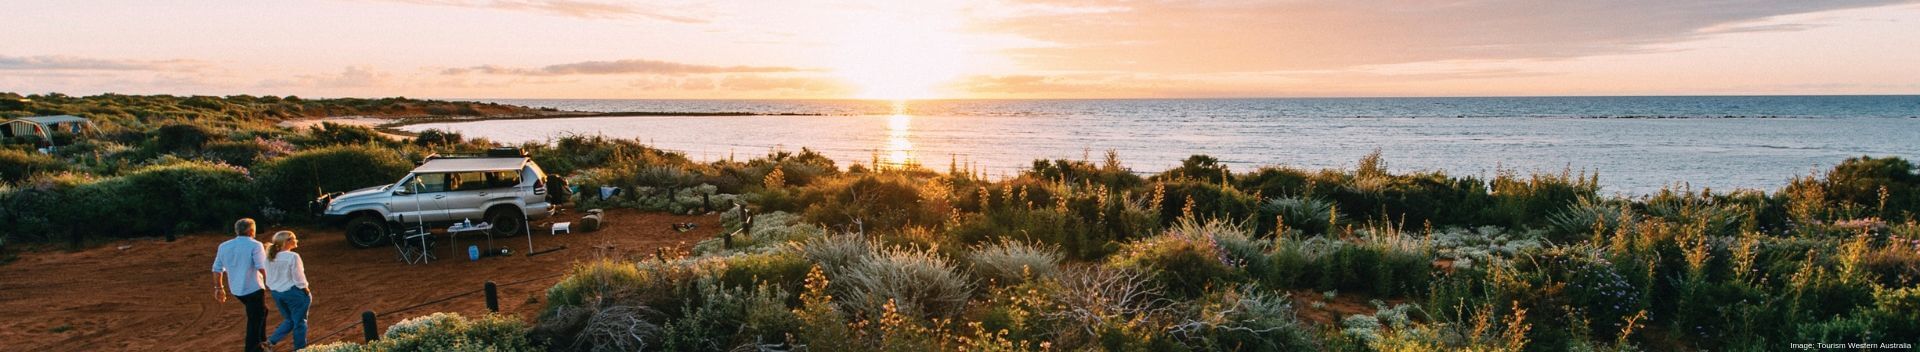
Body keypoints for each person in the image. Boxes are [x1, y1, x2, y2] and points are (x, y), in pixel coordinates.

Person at [212, 218, 270, 352]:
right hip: (253, 288)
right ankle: (254, 348)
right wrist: (271, 282)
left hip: (237, 290)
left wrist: (219, 288)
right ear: (251, 231)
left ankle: (262, 343)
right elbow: (262, 267)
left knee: (262, 311)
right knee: (255, 318)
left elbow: (217, 269)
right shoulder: (255, 245)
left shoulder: (224, 246)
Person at [265, 231, 312, 351]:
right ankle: (300, 349)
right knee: (300, 322)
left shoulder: (269, 257)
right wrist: (305, 289)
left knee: (290, 319)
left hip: (277, 293)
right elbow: (298, 276)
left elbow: (268, 277)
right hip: (294, 293)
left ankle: (270, 342)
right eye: (294, 239)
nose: (297, 241)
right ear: (287, 242)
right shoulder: (293, 256)